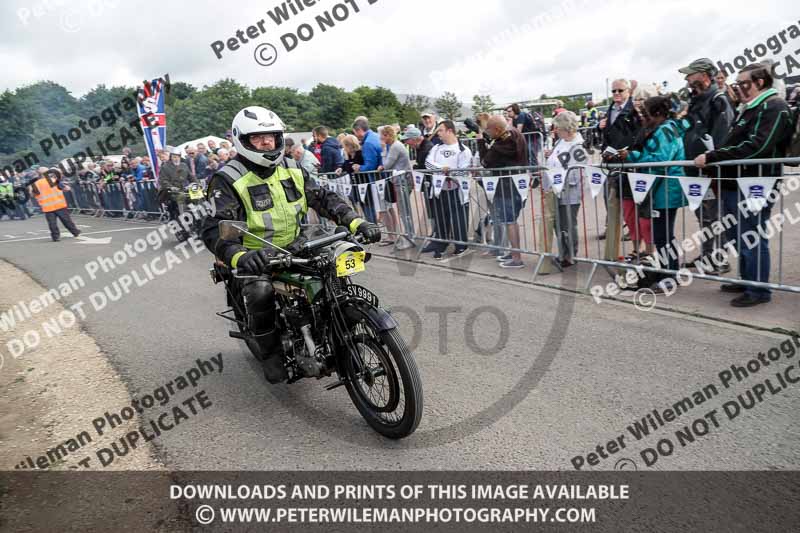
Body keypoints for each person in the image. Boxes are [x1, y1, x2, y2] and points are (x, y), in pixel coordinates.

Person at [200, 106, 380, 383]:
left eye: (271, 136)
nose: (266, 143)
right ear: (242, 141)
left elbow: (324, 198)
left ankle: (335, 324)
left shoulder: (293, 168)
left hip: (297, 243)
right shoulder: (227, 178)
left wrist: (358, 223)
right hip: (257, 255)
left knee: (337, 262)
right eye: (257, 138)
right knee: (260, 291)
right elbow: (214, 228)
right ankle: (270, 355)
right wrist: (239, 255)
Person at [695, 63, 794, 307]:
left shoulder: (774, 106)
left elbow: (758, 146)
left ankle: (759, 290)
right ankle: (747, 278)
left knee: (752, 234)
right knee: (738, 235)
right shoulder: (750, 107)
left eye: (743, 83)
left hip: (755, 181)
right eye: (737, 83)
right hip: (735, 180)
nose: (738, 88)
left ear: (760, 82)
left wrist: (714, 156)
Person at [619, 96, 688, 291]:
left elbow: (658, 160)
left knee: (663, 236)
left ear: (657, 114)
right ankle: (667, 270)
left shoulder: (666, 130)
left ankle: (671, 275)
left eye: (645, 114)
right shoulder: (663, 129)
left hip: (666, 189)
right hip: (662, 188)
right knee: (662, 236)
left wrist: (631, 156)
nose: (642, 117)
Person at [679, 58, 736, 273]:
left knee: (716, 216)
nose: (687, 79)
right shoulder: (696, 99)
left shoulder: (718, 99)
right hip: (695, 169)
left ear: (704, 75)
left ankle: (719, 259)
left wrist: (712, 163)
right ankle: (707, 255)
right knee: (703, 215)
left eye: (691, 74)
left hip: (711, 171)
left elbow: (722, 136)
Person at [598, 78, 642, 260]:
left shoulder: (634, 109)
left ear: (628, 91)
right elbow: (608, 133)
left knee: (635, 209)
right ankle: (614, 249)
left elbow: (639, 135)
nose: (616, 94)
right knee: (614, 204)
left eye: (620, 91)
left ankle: (638, 249)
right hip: (612, 163)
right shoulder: (611, 109)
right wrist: (600, 128)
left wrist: (629, 153)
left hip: (630, 165)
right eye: (613, 91)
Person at [477, 115, 528, 268]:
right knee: (510, 221)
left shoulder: (502, 144)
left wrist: (480, 141)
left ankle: (517, 258)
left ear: (498, 129)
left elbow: (485, 161)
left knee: (510, 221)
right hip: (516, 184)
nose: (488, 132)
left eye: (489, 130)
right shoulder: (515, 134)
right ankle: (513, 253)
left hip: (506, 186)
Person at [422, 120, 473, 260]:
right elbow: (428, 163)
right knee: (441, 218)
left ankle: (461, 245)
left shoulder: (463, 149)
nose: (438, 133)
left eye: (440, 130)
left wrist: (449, 173)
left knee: (458, 219)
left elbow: (463, 170)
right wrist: (442, 169)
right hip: (439, 189)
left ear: (450, 131)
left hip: (457, 190)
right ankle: (442, 244)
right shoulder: (436, 147)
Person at [543, 111, 586, 270]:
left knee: (568, 224)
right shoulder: (560, 142)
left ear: (567, 128)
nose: (556, 131)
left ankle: (571, 255)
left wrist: (558, 175)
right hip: (555, 189)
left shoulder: (578, 145)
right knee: (558, 224)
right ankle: (563, 253)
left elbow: (575, 172)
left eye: (558, 128)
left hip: (569, 191)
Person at [377, 125, 413, 246]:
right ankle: (409, 236)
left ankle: (410, 238)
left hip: (402, 182)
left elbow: (386, 165)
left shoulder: (395, 147)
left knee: (404, 211)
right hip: (400, 181)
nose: (380, 138)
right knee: (404, 211)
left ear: (387, 135)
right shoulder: (394, 146)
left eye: (382, 135)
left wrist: (382, 151)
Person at [31, 168, 81, 242]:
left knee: (52, 223)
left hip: (47, 206)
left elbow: (33, 194)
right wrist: (68, 187)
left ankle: (55, 237)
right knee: (66, 220)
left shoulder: (36, 184)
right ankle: (75, 232)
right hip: (59, 204)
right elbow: (66, 189)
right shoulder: (53, 180)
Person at [352, 117, 383, 222]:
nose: (356, 136)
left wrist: (359, 168)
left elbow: (370, 165)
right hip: (381, 178)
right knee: (385, 210)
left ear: (360, 130)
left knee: (379, 208)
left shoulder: (368, 143)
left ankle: (375, 230)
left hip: (377, 180)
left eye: (355, 133)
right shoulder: (375, 136)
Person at [158, 146, 191, 225]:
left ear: (180, 157)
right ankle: (183, 218)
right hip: (171, 191)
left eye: (177, 156)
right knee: (181, 196)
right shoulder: (165, 167)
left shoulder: (184, 165)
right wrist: (171, 186)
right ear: (171, 157)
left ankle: (201, 215)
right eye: (174, 157)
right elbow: (163, 180)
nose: (176, 158)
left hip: (184, 188)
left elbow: (191, 176)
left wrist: (198, 183)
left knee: (198, 195)